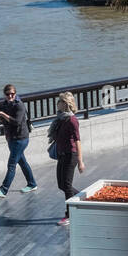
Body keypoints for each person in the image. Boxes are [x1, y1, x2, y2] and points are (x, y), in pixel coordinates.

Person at [0, 84, 37, 198]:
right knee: (22, 162)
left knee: (11, 164)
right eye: (8, 94)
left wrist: (2, 114)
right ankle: (32, 184)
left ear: (15, 93)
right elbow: (3, 120)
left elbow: (16, 122)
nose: (10, 96)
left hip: (21, 139)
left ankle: (4, 189)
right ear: (5, 95)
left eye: (12, 94)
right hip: (11, 138)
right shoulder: (4, 105)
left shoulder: (19, 105)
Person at [50, 92, 84, 227]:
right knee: (61, 185)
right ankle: (82, 197)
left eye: (60, 101)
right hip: (62, 154)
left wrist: (80, 161)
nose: (57, 103)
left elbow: (78, 141)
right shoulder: (61, 118)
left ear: (65, 104)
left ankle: (69, 215)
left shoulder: (72, 120)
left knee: (67, 185)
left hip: (71, 155)